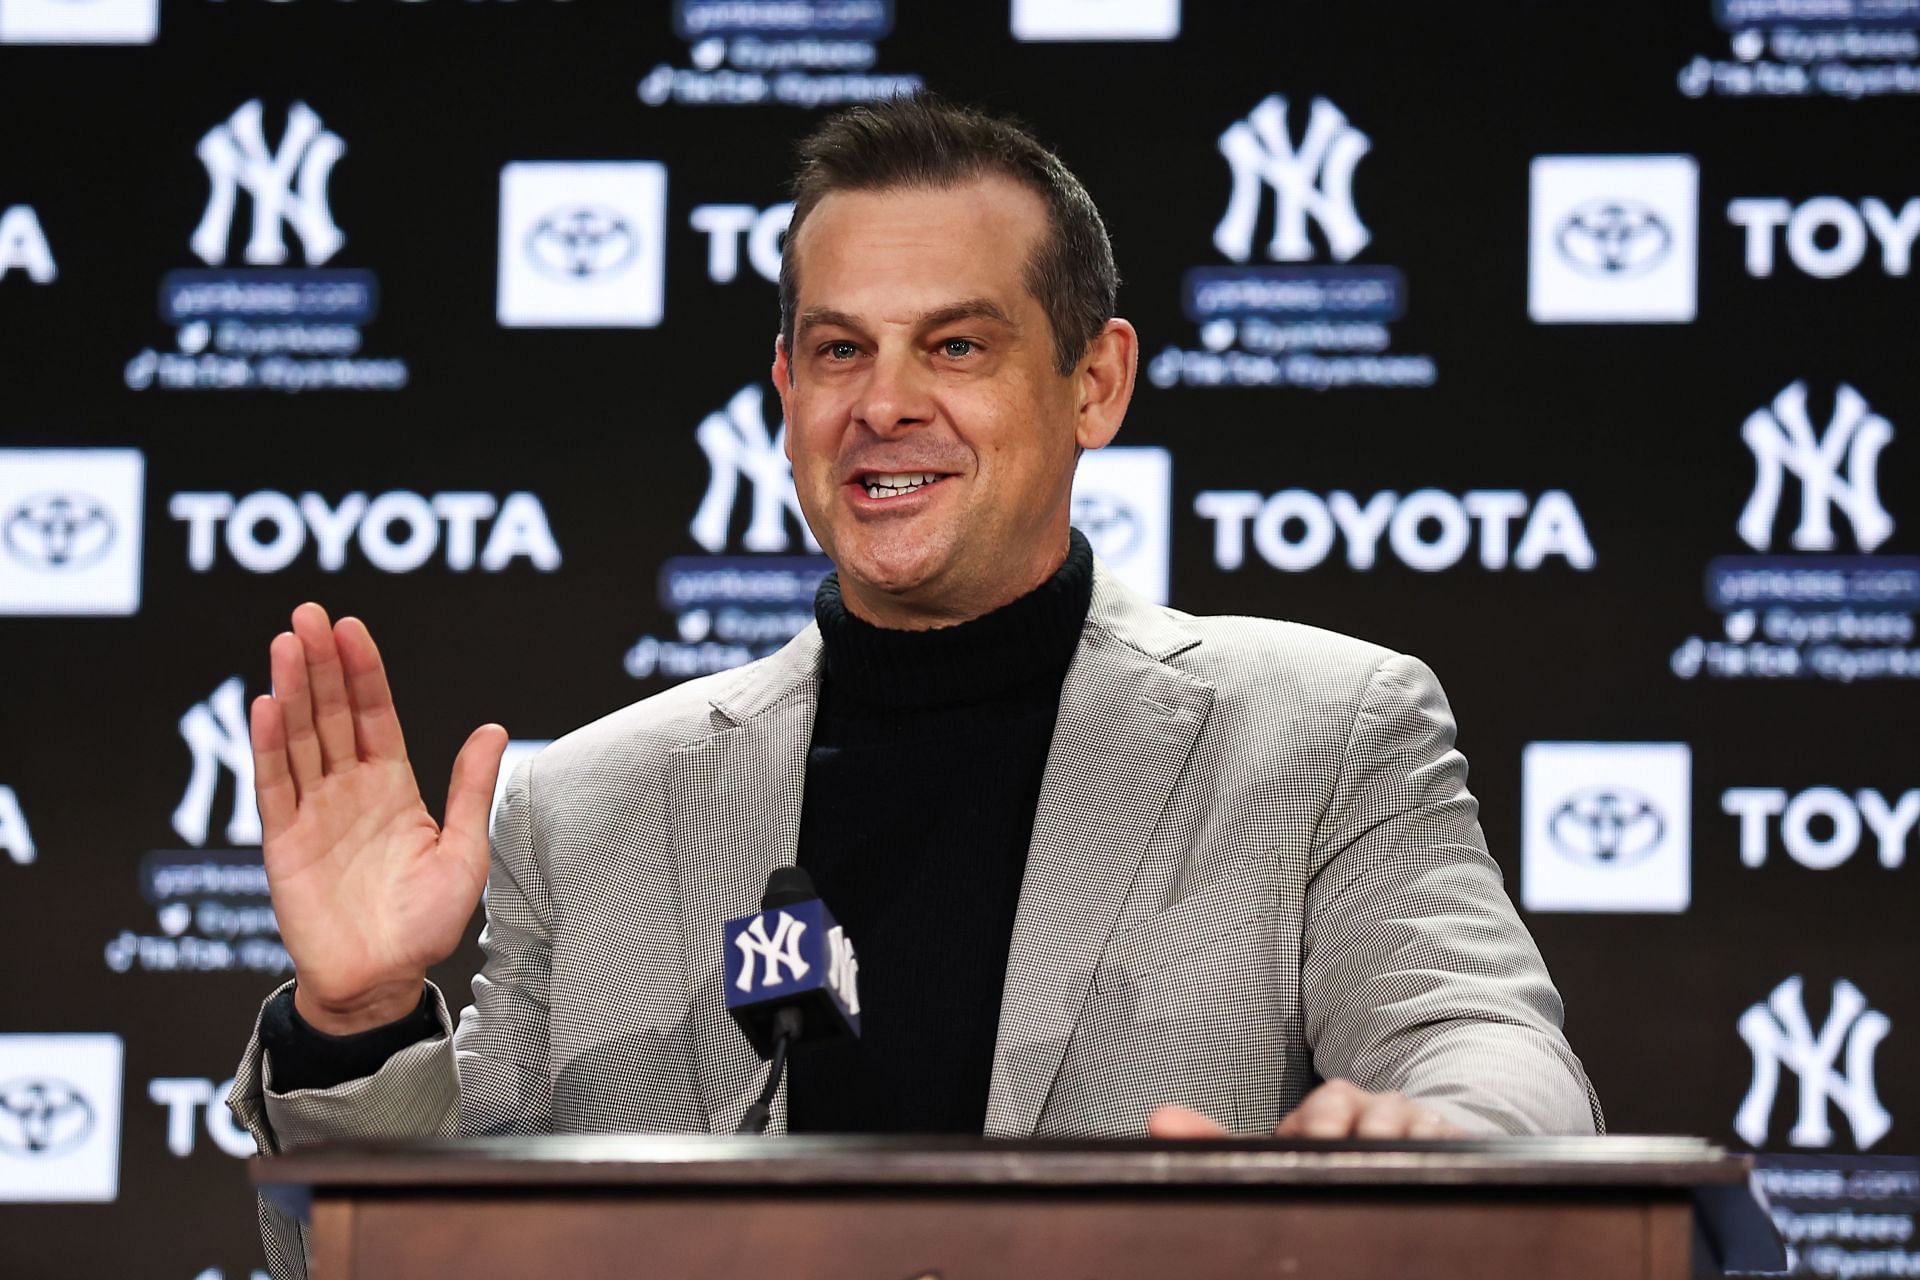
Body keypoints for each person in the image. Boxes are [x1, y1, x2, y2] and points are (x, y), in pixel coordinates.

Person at [228, 95, 1601, 1279]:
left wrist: (1440, 1143)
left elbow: (1483, 1044)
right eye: (839, 350)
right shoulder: (590, 806)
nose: (884, 403)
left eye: (956, 346)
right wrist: (354, 1029)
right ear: (784, 391)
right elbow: (400, 1257)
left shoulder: (1325, 731)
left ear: (1095, 383)